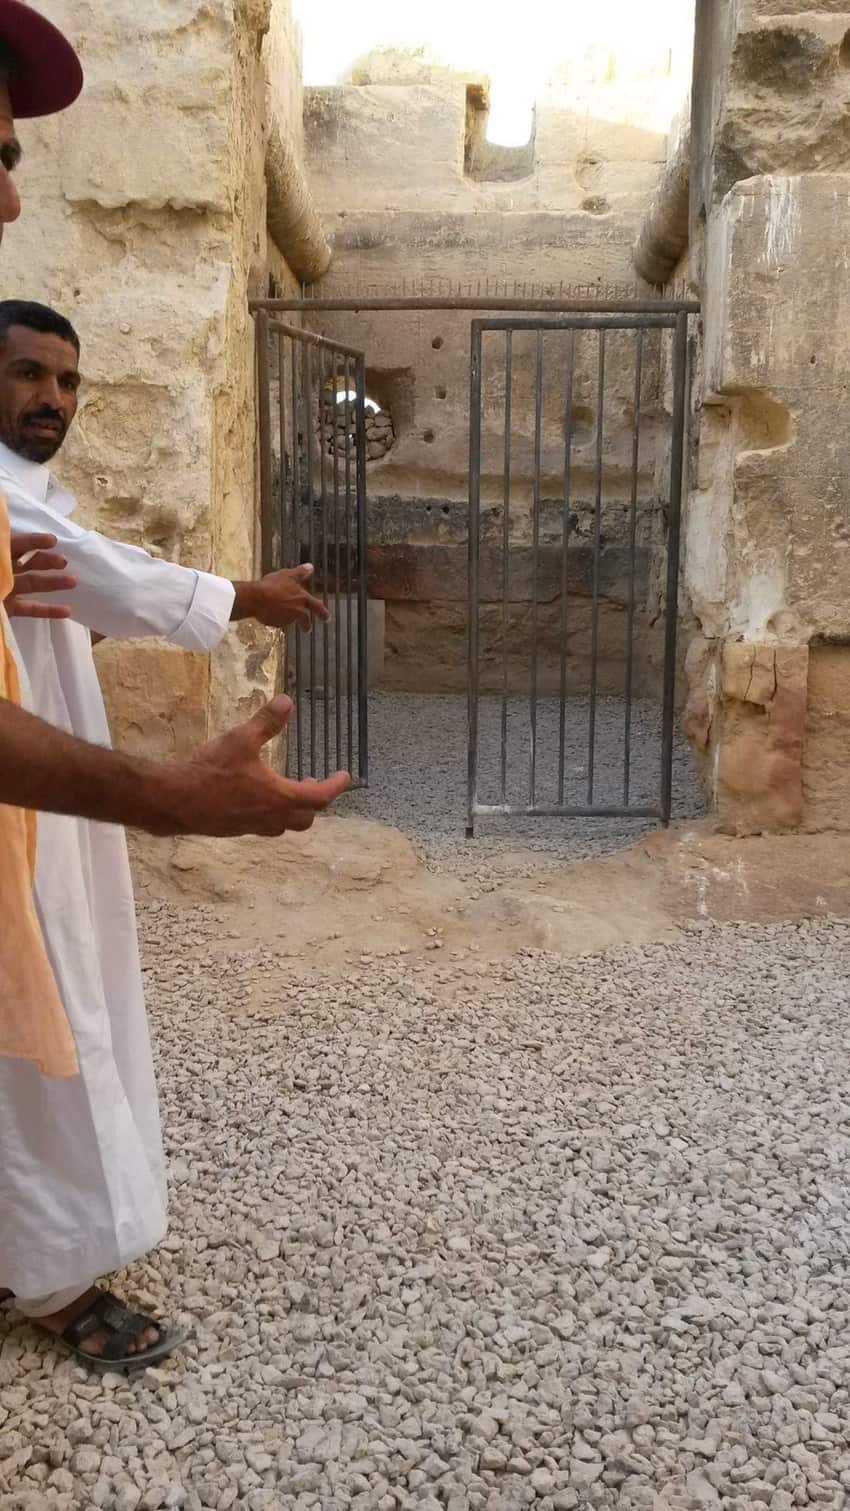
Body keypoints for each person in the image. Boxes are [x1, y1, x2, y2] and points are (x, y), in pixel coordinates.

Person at [0, 3, 349, 1368]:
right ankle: (67, 1273)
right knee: (57, 1030)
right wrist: (238, 606)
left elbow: (82, 573)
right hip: (33, 821)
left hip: (41, 797)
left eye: (64, 380)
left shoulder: (32, 499)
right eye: (27, 373)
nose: (17, 186)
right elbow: (107, 577)